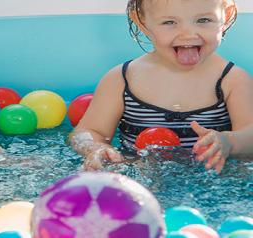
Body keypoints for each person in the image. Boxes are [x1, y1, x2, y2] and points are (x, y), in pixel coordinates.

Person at [69, 0, 253, 173]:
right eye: (169, 22)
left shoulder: (233, 80)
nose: (188, 34)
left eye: (203, 20)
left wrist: (229, 142)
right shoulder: (122, 79)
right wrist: (97, 148)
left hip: (214, 180)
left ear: (226, 17)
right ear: (142, 22)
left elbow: (250, 135)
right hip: (140, 177)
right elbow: (87, 132)